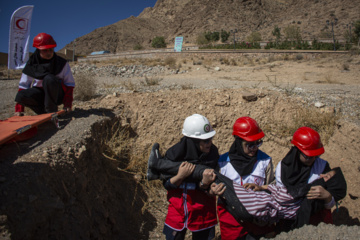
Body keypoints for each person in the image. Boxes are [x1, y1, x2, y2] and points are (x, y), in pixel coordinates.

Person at [147, 114, 219, 240]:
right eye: (206, 140)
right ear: (193, 142)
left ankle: (156, 165)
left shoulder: (212, 155)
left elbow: (209, 188)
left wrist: (204, 183)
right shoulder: (174, 155)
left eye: (211, 138)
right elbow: (167, 185)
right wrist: (180, 176)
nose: (210, 143)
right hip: (178, 215)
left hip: (203, 215)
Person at [210, 167, 346, 228]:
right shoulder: (287, 165)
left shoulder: (320, 171)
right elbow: (287, 192)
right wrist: (264, 187)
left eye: (326, 177)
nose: (322, 176)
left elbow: (328, 206)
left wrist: (328, 197)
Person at [217, 117, 275, 240]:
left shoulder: (265, 161)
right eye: (250, 145)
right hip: (231, 221)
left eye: (257, 143)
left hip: (258, 220)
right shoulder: (222, 163)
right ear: (238, 142)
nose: (255, 148)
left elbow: (272, 187)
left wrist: (261, 188)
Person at [274, 126, 335, 232]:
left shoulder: (323, 167)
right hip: (289, 220)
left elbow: (330, 204)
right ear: (297, 151)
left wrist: (327, 196)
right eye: (308, 156)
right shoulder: (282, 168)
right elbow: (281, 201)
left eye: (316, 155)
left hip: (317, 220)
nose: (313, 159)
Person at [14, 33, 75, 116]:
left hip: (57, 95)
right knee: (21, 96)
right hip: (40, 95)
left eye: (51, 50)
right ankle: (43, 112)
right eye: (45, 50)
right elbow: (23, 86)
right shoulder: (31, 64)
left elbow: (69, 84)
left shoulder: (62, 63)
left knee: (49, 79)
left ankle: (51, 111)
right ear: (38, 50)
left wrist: (67, 104)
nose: (48, 53)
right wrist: (19, 109)